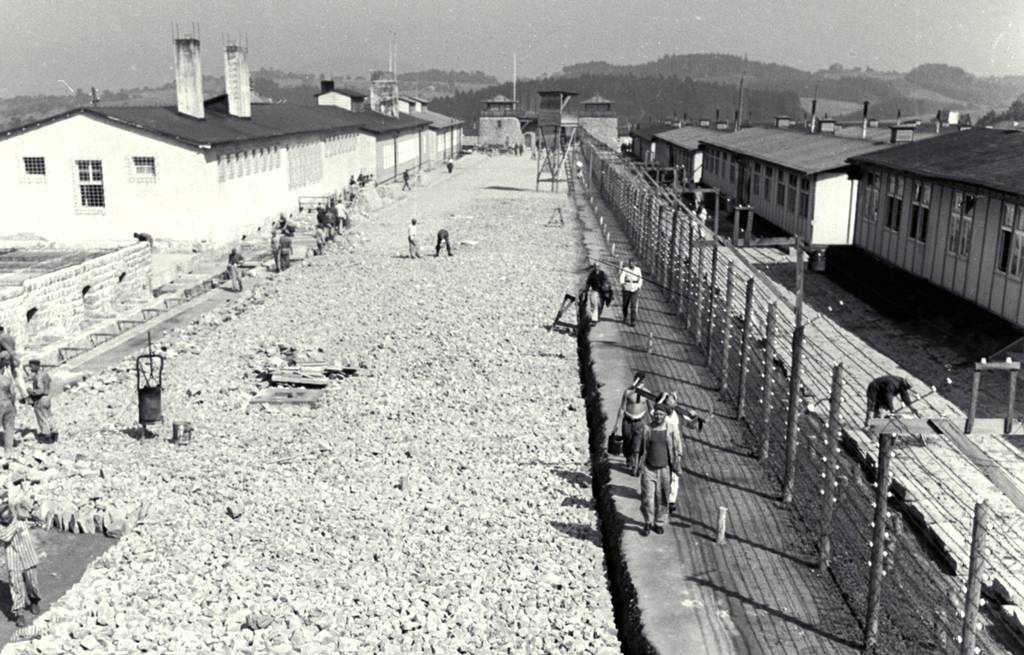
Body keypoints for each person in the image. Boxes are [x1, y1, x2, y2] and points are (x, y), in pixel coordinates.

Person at [631, 404, 681, 537]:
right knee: (647, 498)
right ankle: (647, 522)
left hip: (665, 469)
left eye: (661, 414)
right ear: (653, 414)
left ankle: (658, 523)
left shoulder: (671, 429)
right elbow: (639, 448)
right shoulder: (647, 428)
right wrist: (637, 464)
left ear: (665, 416)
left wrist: (677, 464)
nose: (658, 416)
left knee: (663, 497)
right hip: (649, 469)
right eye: (656, 414)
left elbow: (677, 448)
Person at [0, 503, 41, 627]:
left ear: (11, 514)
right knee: (16, 588)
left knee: (32, 584)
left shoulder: (21, 519)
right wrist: (16, 522)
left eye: (8, 517)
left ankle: (34, 601)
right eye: (4, 518)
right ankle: (19, 614)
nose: (7, 520)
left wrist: (34, 516)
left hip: (29, 557)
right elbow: (6, 537)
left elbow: (36, 522)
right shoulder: (3, 527)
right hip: (14, 561)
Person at [611, 373, 650, 458]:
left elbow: (650, 409)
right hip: (628, 420)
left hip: (639, 421)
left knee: (637, 443)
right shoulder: (628, 392)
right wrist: (617, 423)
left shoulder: (647, 394)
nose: (640, 383)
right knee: (627, 440)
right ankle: (628, 456)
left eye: (641, 381)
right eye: (638, 381)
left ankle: (635, 462)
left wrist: (649, 424)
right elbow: (621, 408)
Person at [25, 360, 56, 444]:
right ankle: (54, 433)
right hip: (47, 397)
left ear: (36, 366)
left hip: (41, 399)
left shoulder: (38, 376)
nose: (30, 368)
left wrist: (30, 391)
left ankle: (46, 437)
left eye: (31, 366)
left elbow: (40, 390)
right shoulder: (45, 374)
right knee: (49, 415)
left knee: (41, 417)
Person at [619, 260, 643, 326]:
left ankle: (633, 320)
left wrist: (638, 286)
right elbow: (622, 277)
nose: (631, 264)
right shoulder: (625, 269)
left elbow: (640, 278)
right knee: (625, 304)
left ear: (635, 263)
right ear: (629, 263)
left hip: (635, 288)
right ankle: (625, 317)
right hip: (627, 288)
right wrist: (622, 284)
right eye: (630, 262)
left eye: (633, 262)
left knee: (633, 305)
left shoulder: (638, 270)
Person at [0, 369, 15, 454]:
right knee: (9, 426)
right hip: (7, 402)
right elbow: (13, 394)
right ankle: (8, 450)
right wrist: (13, 404)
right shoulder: (8, 379)